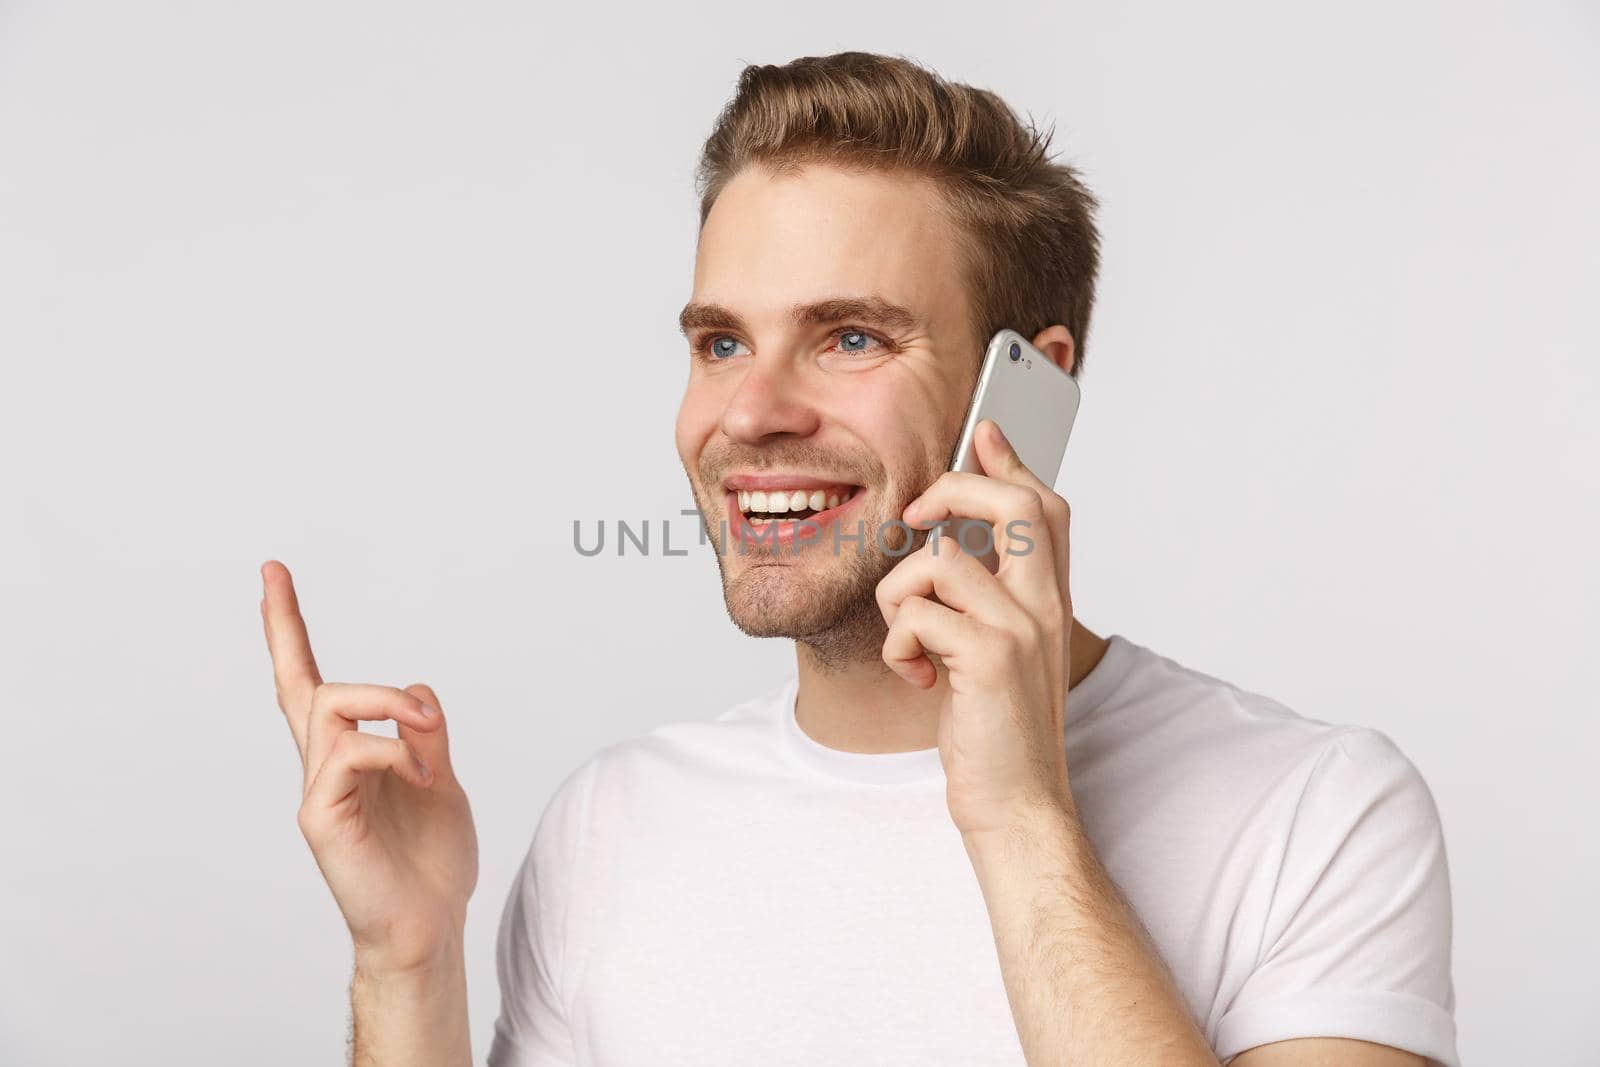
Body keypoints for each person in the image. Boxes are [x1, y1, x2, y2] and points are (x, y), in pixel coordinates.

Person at [259, 51, 1457, 1067]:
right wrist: (406, 966)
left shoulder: (1316, 813)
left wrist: (1021, 813)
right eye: (722, 341)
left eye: (847, 336)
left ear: (1027, 388)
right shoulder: (610, 825)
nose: (750, 412)